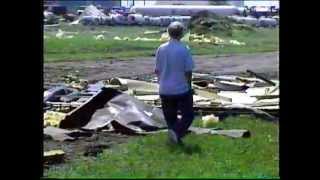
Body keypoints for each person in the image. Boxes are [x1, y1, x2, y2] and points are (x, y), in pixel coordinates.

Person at [154, 21, 194, 144]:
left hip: (165, 89)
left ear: (168, 33)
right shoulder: (184, 49)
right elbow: (188, 71)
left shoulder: (161, 48)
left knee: (170, 117)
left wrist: (160, 82)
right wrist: (189, 86)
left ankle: (174, 138)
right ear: (181, 34)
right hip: (180, 89)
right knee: (188, 116)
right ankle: (176, 133)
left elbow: (157, 70)